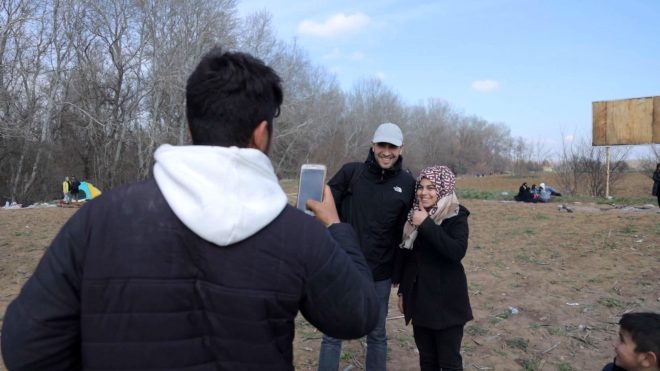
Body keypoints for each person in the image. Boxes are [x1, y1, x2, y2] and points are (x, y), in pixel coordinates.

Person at [1, 46, 379, 371]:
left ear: (190, 129)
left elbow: (27, 347)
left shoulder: (100, 218)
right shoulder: (299, 233)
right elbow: (358, 314)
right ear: (262, 133)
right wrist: (334, 227)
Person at [318, 122, 416, 371]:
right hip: (343, 267)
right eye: (381, 145)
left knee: (377, 334)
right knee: (332, 333)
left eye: (392, 146)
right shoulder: (352, 173)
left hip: (380, 273)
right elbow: (322, 205)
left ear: (401, 149)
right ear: (372, 146)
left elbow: (406, 232)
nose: (386, 151)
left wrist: (399, 273)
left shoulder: (407, 183)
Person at [396, 165, 473, 371]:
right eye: (420, 187)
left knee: (449, 363)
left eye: (431, 188)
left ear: (443, 189)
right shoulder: (414, 216)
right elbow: (408, 259)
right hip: (420, 302)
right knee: (427, 361)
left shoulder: (456, 214)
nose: (424, 193)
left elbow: (456, 251)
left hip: (447, 304)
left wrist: (427, 225)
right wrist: (403, 292)